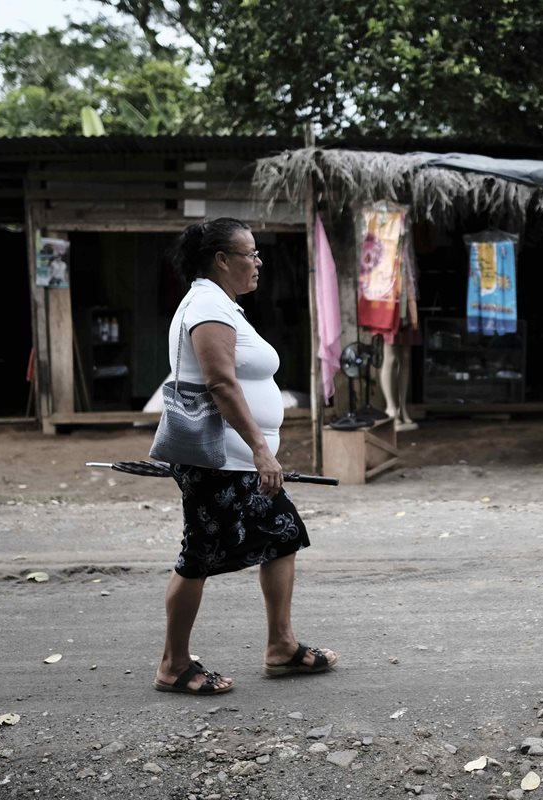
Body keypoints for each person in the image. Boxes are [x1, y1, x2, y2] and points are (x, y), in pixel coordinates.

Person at [152, 217, 338, 695]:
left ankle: (281, 645)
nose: (258, 262)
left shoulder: (223, 305)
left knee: (282, 534)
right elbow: (219, 382)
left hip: (238, 461)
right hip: (221, 460)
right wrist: (260, 449)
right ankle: (173, 663)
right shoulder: (208, 306)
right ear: (221, 260)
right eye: (250, 254)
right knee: (198, 555)